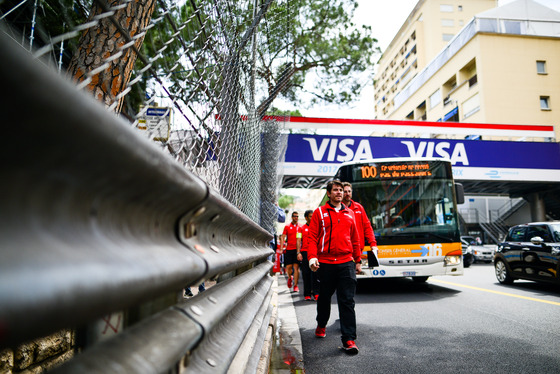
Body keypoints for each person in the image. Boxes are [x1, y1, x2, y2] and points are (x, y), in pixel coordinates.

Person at [308, 180, 361, 355]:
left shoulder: (350, 213)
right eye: (336, 190)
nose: (339, 193)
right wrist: (312, 258)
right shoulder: (319, 213)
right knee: (324, 297)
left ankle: (348, 339)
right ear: (329, 194)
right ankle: (321, 323)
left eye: (341, 190)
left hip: (346, 262)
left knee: (347, 300)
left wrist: (357, 259)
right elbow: (313, 238)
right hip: (326, 263)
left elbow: (355, 239)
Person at [342, 182, 378, 266]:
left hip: (358, 250)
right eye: (345, 191)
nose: (347, 194)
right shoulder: (338, 209)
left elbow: (367, 227)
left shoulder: (359, 207)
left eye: (349, 191)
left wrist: (373, 244)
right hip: (344, 252)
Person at [297, 210, 320, 300]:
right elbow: (298, 240)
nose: (312, 218)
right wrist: (298, 253)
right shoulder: (301, 228)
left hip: (315, 253)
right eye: (310, 216)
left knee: (316, 273)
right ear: (306, 217)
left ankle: (316, 293)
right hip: (305, 252)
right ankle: (307, 294)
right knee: (306, 274)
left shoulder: (318, 227)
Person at [280, 211, 301, 292]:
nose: (296, 217)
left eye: (297, 216)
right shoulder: (287, 226)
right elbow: (283, 237)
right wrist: (281, 248)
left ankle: (295, 285)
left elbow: (300, 238)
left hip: (297, 250)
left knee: (296, 267)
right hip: (289, 250)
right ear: (292, 217)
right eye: (295, 216)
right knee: (288, 267)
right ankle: (290, 277)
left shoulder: (300, 227)